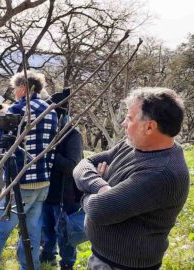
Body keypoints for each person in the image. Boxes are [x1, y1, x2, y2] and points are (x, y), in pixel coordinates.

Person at [73, 87, 189, 270]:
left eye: (129, 118)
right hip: (103, 259)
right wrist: (102, 186)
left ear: (149, 126)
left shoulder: (162, 172)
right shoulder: (132, 145)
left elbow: (98, 210)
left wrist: (85, 191)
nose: (123, 124)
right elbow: (84, 164)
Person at [0, 70, 58, 270]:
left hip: (20, 180)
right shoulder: (51, 111)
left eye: (15, 88)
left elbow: (1, 140)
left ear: (24, 88)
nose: (14, 92)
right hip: (43, 180)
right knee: (31, 232)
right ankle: (30, 267)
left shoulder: (18, 109)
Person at [40, 89, 83, 270]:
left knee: (64, 232)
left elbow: (72, 165)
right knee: (47, 228)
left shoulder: (73, 135)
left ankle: (67, 263)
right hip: (46, 191)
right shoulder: (48, 134)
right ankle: (48, 255)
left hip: (65, 195)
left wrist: (49, 153)